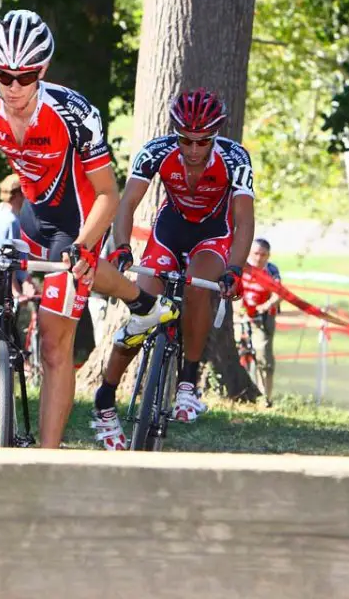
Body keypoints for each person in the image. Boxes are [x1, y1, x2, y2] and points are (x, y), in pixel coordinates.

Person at [0, 9, 175, 449]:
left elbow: (107, 195)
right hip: (30, 215)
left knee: (55, 344)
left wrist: (81, 246)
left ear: (43, 70)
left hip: (75, 222)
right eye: (4, 75)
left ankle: (47, 457)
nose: (14, 86)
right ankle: (140, 300)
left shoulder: (74, 112)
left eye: (25, 76)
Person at [90, 89, 255, 449]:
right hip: (170, 230)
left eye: (203, 141)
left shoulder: (235, 157)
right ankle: (104, 397)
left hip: (212, 236)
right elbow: (127, 203)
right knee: (144, 307)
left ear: (216, 135)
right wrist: (121, 247)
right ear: (174, 132)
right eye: (185, 140)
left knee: (198, 285)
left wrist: (236, 268)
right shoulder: (156, 151)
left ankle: (187, 383)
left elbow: (243, 220)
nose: (193, 149)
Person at [240, 238, 281, 406]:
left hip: (263, 317)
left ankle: (266, 397)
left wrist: (265, 306)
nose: (259, 258)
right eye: (256, 254)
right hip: (240, 316)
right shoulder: (241, 267)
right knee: (241, 353)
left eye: (263, 255)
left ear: (268, 256)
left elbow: (279, 293)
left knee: (263, 356)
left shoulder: (271, 270)